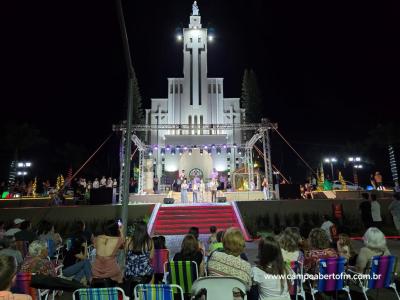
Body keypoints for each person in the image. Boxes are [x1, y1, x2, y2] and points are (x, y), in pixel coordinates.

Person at [91, 220, 124, 285]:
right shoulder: (118, 240)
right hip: (112, 271)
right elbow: (123, 245)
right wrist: (121, 231)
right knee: (120, 276)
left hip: (96, 271)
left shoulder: (97, 238)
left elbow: (95, 245)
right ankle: (119, 292)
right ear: (115, 229)